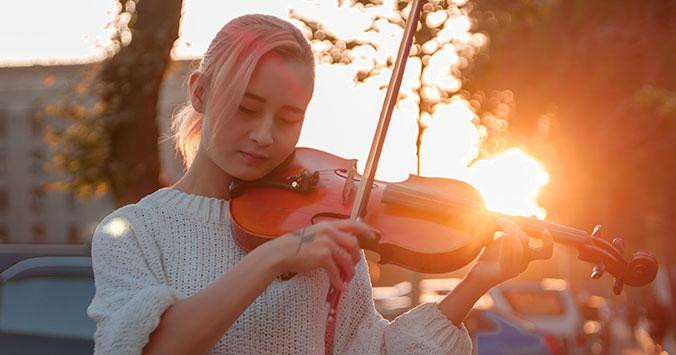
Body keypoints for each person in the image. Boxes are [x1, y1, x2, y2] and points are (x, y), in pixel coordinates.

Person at [86, 14, 554, 355]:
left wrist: (476, 283)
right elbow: (149, 348)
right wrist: (274, 257)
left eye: (289, 118)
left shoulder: (323, 225)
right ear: (200, 93)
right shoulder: (135, 233)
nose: (265, 135)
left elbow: (374, 351)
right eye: (247, 109)